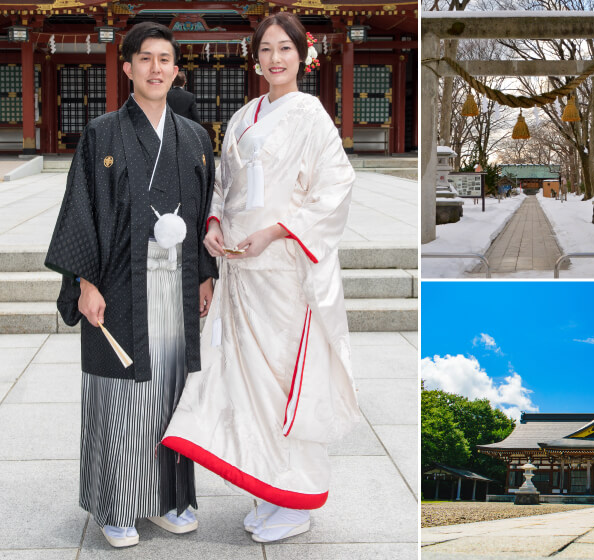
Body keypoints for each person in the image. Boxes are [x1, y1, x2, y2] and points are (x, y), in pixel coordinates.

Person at [160, 11, 360, 543]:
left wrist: (276, 231)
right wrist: (215, 221)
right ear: (256, 59)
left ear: (303, 56)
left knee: (280, 382)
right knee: (243, 382)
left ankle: (295, 499)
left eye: (285, 50)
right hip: (240, 269)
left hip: (285, 269)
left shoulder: (313, 115)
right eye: (267, 50)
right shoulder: (246, 114)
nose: (275, 59)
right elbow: (223, 181)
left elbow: (335, 186)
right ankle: (268, 491)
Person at [43, 21, 216, 548]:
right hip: (117, 284)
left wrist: (206, 275)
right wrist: (83, 282)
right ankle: (114, 505)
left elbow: (207, 211)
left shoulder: (195, 137)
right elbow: (82, 212)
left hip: (177, 284)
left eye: (165, 59)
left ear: (176, 70)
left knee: (168, 389)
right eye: (145, 59)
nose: (156, 69)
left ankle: (168, 499)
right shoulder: (102, 134)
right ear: (128, 69)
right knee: (120, 396)